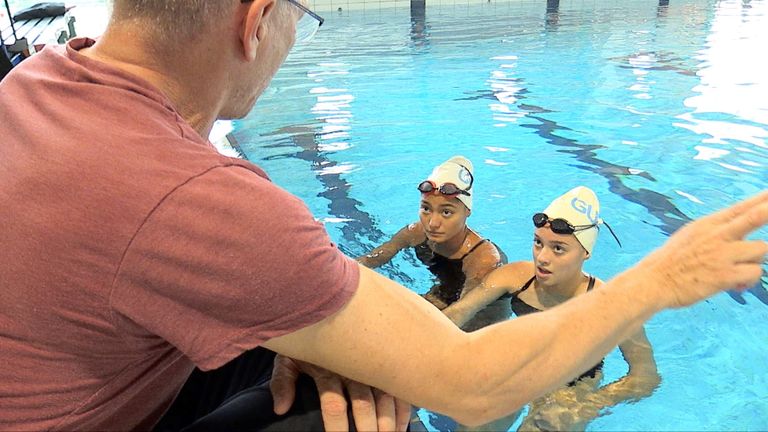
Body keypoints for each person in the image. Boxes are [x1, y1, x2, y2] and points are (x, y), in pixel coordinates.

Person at [1, 0, 766, 430]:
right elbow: (471, 387)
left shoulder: (34, 81)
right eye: (302, 16)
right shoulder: (194, 196)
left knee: (349, 369)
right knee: (368, 419)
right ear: (256, 19)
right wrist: (667, 275)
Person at [443, 186, 661, 431]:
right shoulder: (515, 277)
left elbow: (646, 376)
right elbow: (455, 315)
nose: (542, 257)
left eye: (558, 248)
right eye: (538, 243)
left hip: (572, 387)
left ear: (585, 252)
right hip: (522, 369)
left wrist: (591, 404)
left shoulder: (611, 305)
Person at [357, 156, 511, 332]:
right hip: (447, 293)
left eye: (446, 212)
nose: (432, 223)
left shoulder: (483, 260)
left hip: (483, 314)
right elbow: (370, 260)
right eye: (426, 209)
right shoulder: (416, 232)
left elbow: (459, 316)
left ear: (467, 211)